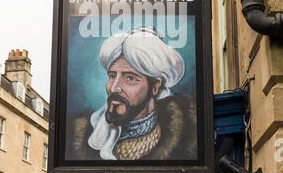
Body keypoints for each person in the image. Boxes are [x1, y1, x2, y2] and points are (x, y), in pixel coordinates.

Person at [70, 27, 197, 161]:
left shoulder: (187, 136)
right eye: (112, 76)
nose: (114, 88)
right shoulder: (82, 134)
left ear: (155, 86)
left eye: (130, 78)